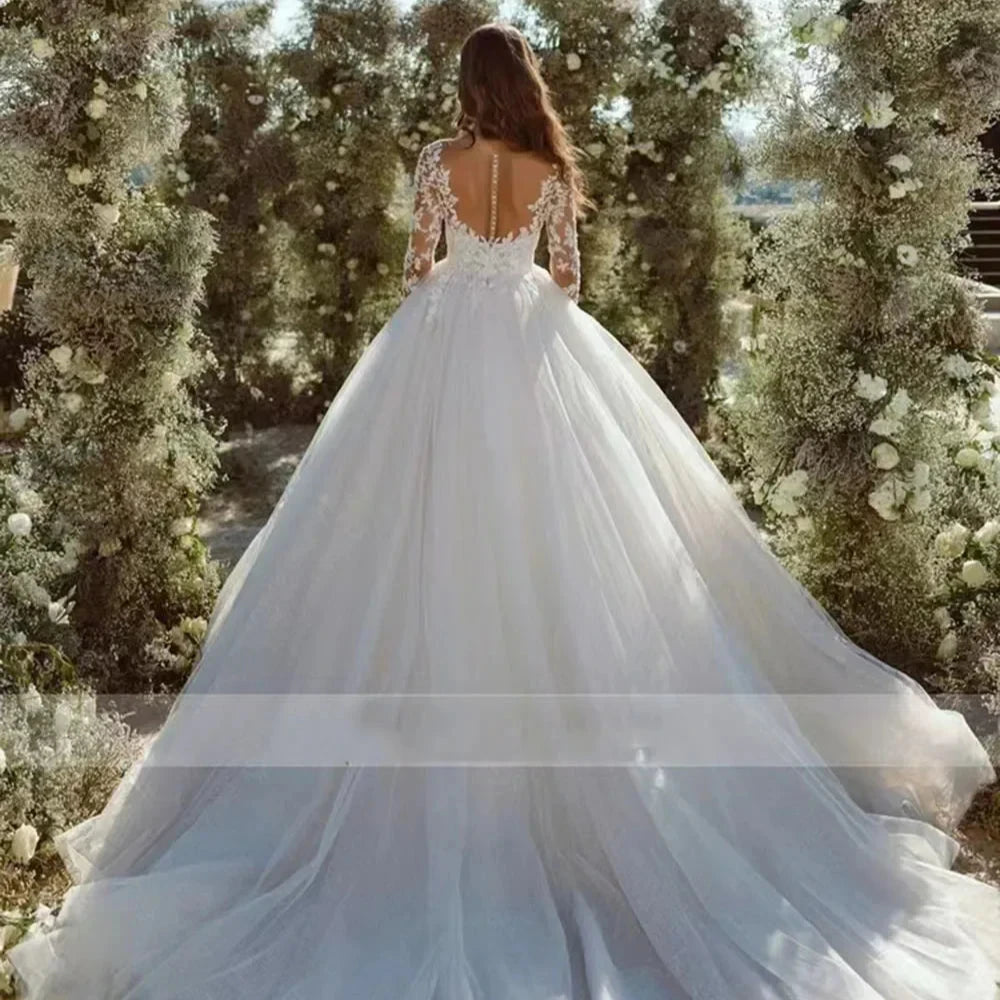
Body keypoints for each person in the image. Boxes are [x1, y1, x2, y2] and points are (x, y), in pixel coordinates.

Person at [8, 21, 1000, 1000]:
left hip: (439, 348)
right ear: (524, 83)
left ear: (466, 82)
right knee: (558, 536)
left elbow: (416, 267)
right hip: (532, 348)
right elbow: (566, 279)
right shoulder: (549, 169)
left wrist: (456, 274)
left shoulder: (437, 161)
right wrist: (513, 271)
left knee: (416, 527)